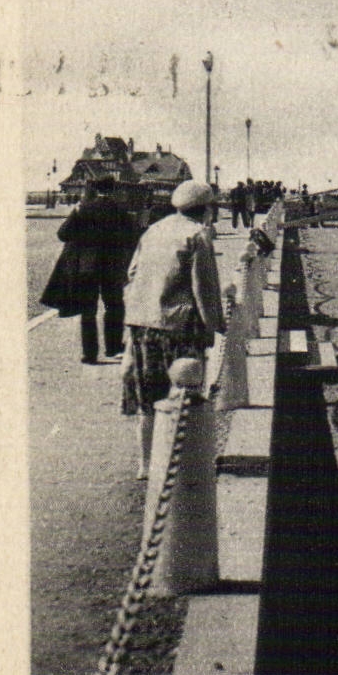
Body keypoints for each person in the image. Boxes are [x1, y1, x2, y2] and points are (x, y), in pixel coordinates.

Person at [121, 179, 227, 478]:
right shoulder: (197, 235)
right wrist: (214, 327)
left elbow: (132, 274)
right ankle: (181, 461)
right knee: (182, 393)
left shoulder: (154, 230)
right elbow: (204, 288)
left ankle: (145, 464)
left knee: (146, 397)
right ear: (206, 209)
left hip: (141, 323)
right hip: (178, 325)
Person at [39, 176, 140, 364]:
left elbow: (62, 234)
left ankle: (90, 353)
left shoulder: (83, 209)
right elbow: (133, 239)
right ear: (113, 190)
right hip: (112, 266)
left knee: (88, 310)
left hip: (87, 267)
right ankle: (113, 347)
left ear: (95, 189)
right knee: (114, 306)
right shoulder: (121, 211)